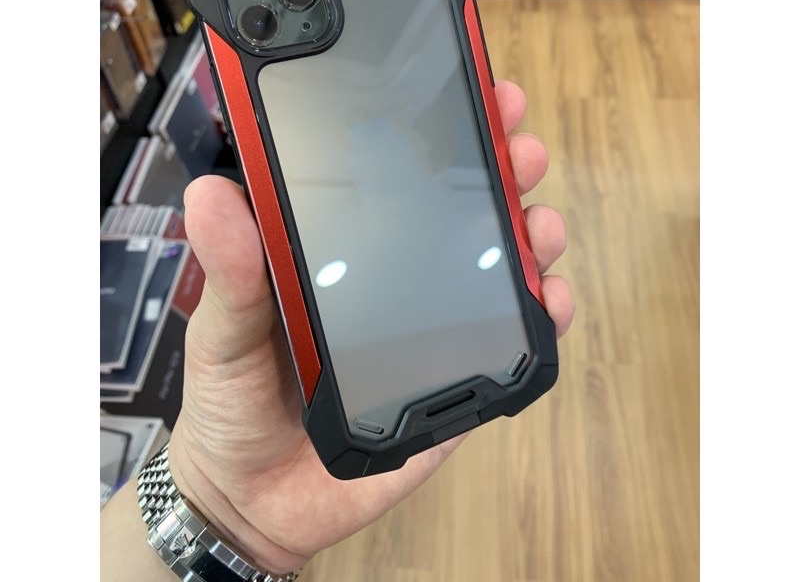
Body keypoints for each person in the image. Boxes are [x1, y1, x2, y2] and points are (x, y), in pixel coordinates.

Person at [100, 79, 575, 581]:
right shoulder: (359, 255)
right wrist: (216, 503)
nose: (381, 174)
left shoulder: (434, 239)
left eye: (390, 157)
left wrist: (220, 508)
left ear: (420, 157)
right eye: (366, 163)